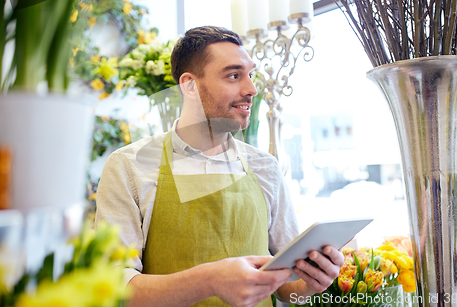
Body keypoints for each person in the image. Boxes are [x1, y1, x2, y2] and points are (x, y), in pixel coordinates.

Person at [95, 26, 344, 307]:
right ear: (189, 85)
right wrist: (209, 281)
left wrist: (313, 281)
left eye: (250, 75)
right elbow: (114, 289)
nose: (251, 89)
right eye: (234, 76)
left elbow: (288, 291)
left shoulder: (265, 167)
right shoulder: (128, 167)